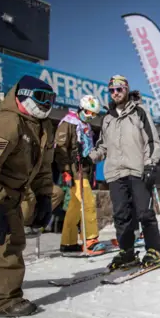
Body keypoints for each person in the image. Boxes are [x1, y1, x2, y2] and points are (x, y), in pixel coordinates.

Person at [0, 75, 56, 317]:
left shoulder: (43, 127)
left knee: (6, 236)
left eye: (51, 98)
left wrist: (45, 196)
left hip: (11, 187)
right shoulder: (6, 123)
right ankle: (0, 300)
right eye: (40, 97)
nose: (46, 103)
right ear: (22, 96)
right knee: (7, 237)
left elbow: (44, 166)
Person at [89, 75, 160, 269]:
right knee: (121, 216)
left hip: (138, 170)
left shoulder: (140, 112)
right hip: (115, 173)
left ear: (127, 89)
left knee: (144, 212)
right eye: (112, 90)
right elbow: (102, 146)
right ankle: (127, 252)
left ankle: (153, 250)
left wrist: (150, 164)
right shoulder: (107, 118)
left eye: (119, 89)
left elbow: (153, 142)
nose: (115, 93)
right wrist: (89, 158)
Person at [55, 95, 105, 254]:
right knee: (88, 203)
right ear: (82, 109)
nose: (91, 117)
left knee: (75, 207)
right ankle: (90, 240)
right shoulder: (69, 123)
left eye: (94, 114)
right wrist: (66, 170)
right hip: (74, 170)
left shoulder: (85, 125)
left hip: (84, 170)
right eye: (90, 113)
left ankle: (68, 242)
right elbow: (60, 148)